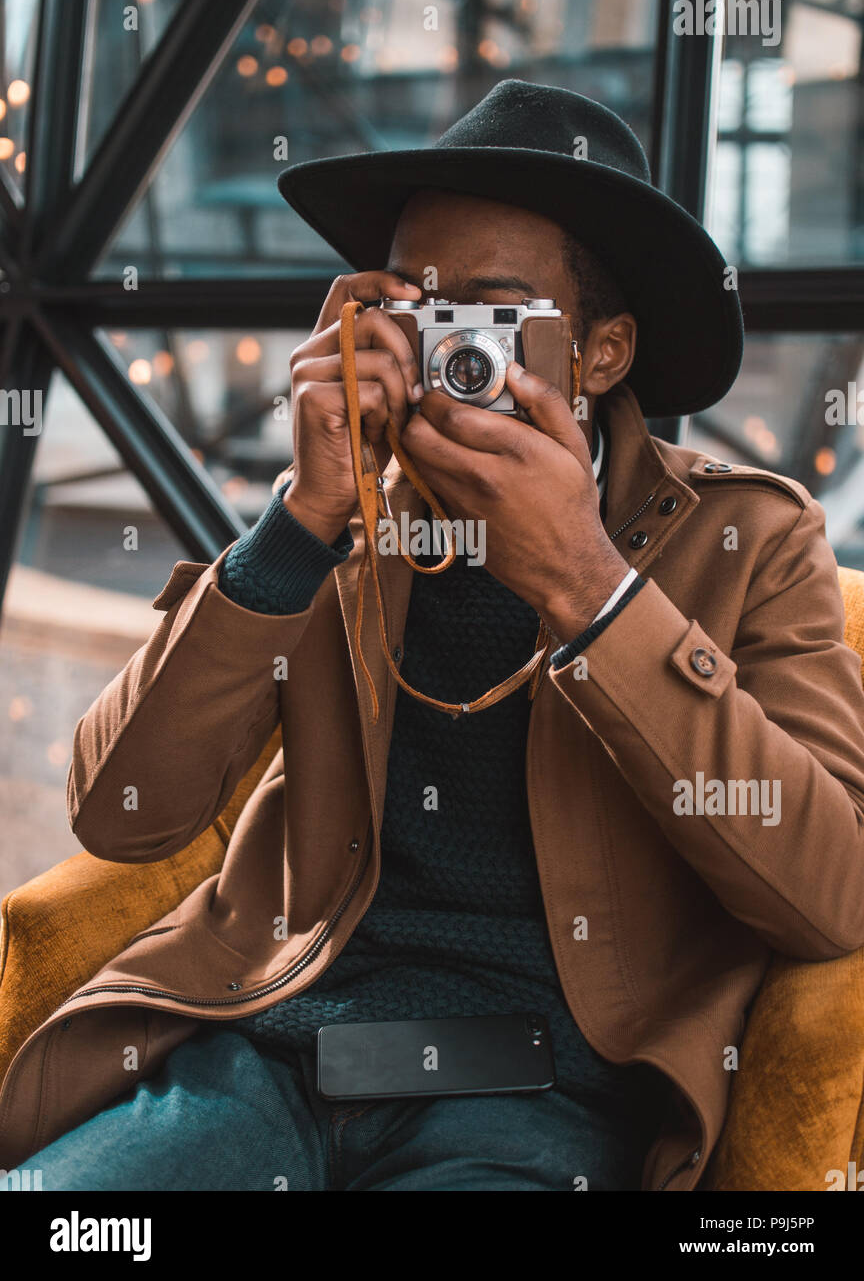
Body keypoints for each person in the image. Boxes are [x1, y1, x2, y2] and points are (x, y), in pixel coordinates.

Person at [5, 80, 864, 1192]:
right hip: (269, 1054)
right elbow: (123, 814)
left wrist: (594, 592)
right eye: (414, 307)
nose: (442, 351)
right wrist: (298, 528)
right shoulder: (342, 513)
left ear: (603, 354)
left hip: (540, 1098)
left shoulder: (749, 537)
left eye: (491, 317)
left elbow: (831, 885)